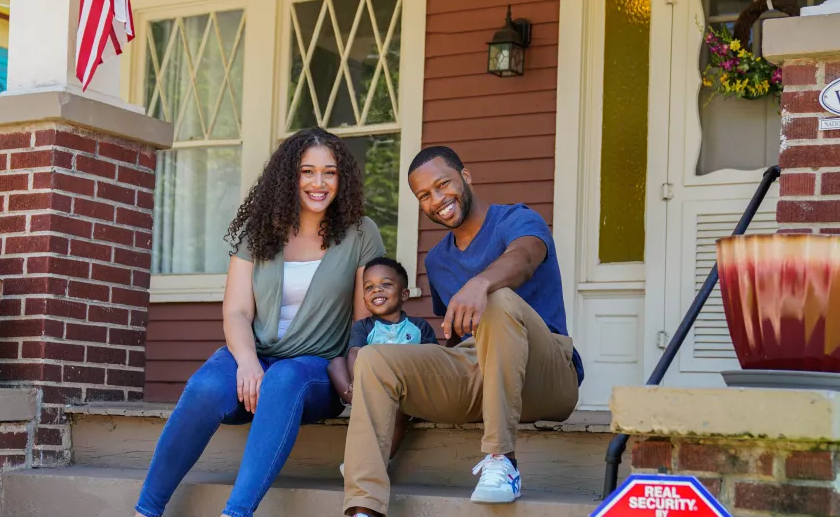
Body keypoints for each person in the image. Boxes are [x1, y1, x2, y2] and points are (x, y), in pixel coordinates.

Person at [133, 127, 385, 517]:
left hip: (316, 372)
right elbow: (236, 311)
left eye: (330, 172)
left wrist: (360, 388)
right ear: (289, 176)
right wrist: (248, 362)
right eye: (307, 172)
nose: (319, 183)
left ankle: (236, 513)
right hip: (257, 359)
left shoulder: (360, 233)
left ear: (342, 178)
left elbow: (361, 323)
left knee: (285, 378)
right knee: (205, 386)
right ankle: (145, 511)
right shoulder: (259, 231)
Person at [342, 146, 585, 517]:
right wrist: (420, 386)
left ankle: (502, 460)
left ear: (466, 177)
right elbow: (456, 340)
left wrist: (480, 284)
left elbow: (523, 259)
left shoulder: (517, 220)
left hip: (548, 376)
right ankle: (363, 505)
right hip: (481, 377)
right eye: (424, 195)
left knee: (497, 299)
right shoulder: (437, 260)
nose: (437, 200)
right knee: (374, 359)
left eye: (443, 185)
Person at [327, 256, 438, 472]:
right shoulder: (364, 327)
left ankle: (379, 461)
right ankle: (358, 398)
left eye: (386, 284)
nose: (377, 290)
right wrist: (358, 383)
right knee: (336, 364)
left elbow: (433, 360)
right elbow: (356, 353)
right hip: (369, 388)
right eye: (369, 287)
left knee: (397, 411)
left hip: (405, 394)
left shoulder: (418, 327)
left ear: (404, 294)